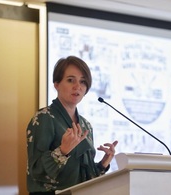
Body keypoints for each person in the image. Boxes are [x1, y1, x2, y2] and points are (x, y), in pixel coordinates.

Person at [26, 56, 118, 195]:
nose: (77, 87)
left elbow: (85, 179)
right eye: (70, 80)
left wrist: (103, 164)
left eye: (83, 82)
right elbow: (36, 171)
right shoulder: (44, 118)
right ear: (56, 84)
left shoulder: (86, 125)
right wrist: (62, 151)